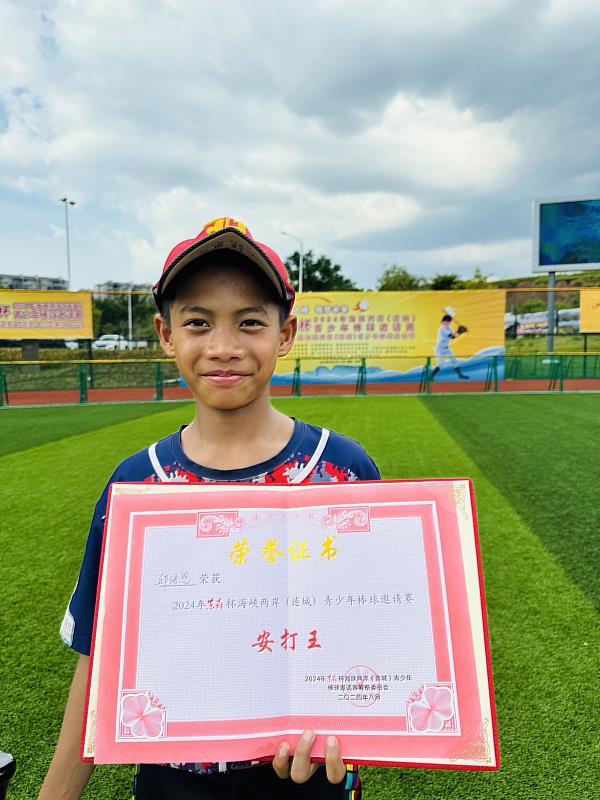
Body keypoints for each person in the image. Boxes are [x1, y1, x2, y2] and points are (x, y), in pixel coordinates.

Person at [39, 216, 380, 800]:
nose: (224, 347)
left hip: (303, 780)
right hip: (173, 783)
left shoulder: (343, 470)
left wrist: (355, 726)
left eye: (250, 322)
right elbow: (101, 659)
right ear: (166, 334)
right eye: (198, 322)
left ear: (286, 333)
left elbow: (376, 632)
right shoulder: (137, 483)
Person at [431, 314, 469, 380]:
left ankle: (460, 375)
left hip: (446, 348)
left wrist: (459, 331)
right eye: (445, 321)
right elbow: (452, 336)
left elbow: (454, 335)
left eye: (448, 321)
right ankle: (431, 377)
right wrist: (460, 331)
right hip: (439, 349)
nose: (447, 323)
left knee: (454, 360)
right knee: (441, 363)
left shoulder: (449, 328)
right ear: (442, 321)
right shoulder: (442, 329)